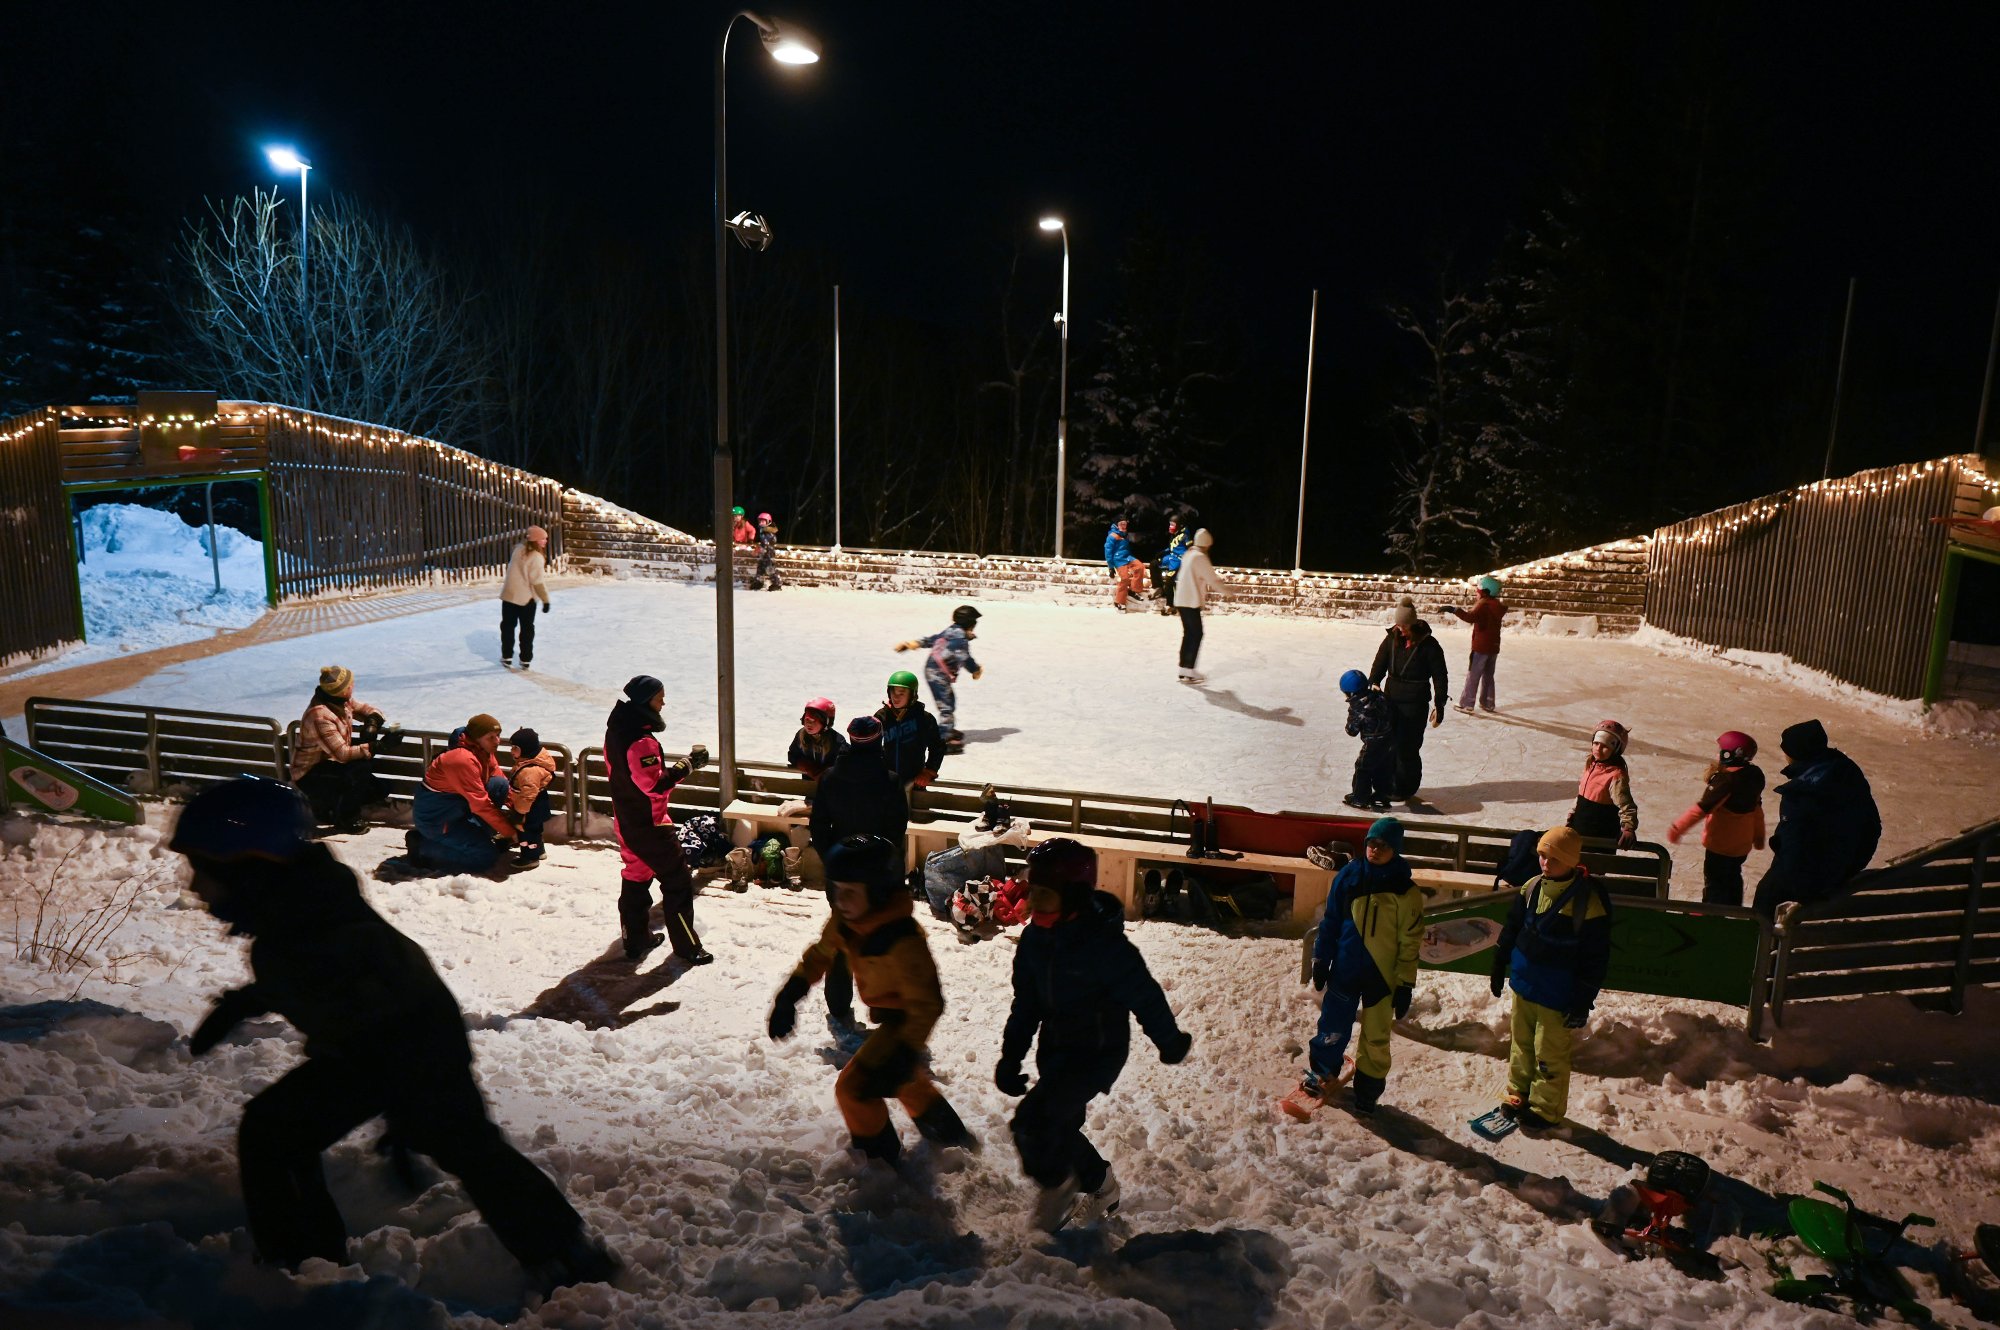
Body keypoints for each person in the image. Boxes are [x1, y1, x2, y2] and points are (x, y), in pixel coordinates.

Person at [172, 778, 616, 1289]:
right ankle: (304, 1266)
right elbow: (314, 976)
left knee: (465, 1145)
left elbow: (381, 1005)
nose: (193, 886)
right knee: (274, 1132)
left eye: (200, 869)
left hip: (416, 1049)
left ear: (246, 863)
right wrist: (245, 1002)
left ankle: (571, 1262)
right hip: (371, 1049)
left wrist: (406, 1111)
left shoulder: (318, 925)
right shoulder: (294, 909)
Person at [997, 838, 1193, 1231]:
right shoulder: (1035, 940)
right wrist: (1011, 1056)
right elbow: (1027, 1004)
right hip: (1056, 1048)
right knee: (1059, 1126)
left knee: (1032, 1124)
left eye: (1044, 894)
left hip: (1096, 1052)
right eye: (1031, 891)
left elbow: (1145, 994)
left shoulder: (1103, 945)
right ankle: (1101, 1186)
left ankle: (1058, 1186)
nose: (1033, 902)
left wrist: (1169, 1040)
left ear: (1072, 897)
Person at [767, 834, 977, 1166]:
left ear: (877, 893)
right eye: (837, 890)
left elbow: (928, 1003)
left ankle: (880, 1160)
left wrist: (906, 1048)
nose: (841, 901)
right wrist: (790, 995)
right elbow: (820, 955)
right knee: (906, 1081)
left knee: (853, 1090)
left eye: (851, 892)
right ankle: (952, 1137)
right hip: (889, 1017)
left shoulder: (902, 939)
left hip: (906, 1021)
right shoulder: (848, 921)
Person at [1487, 826, 1611, 1132]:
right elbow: (1513, 926)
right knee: (1521, 1045)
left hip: (1558, 994)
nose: (1545, 863)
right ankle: (1518, 1093)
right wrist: (1499, 961)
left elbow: (1595, 957)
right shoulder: (1531, 888)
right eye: (1542, 855)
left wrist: (1582, 999)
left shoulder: (1587, 902)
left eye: (1553, 858)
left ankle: (1545, 1108)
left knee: (1549, 1053)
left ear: (1569, 861)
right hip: (1525, 984)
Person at [1298, 817, 1422, 1115]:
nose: (1375, 850)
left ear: (1396, 850)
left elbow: (1410, 942)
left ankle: (1368, 1091)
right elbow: (1330, 923)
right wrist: (1321, 959)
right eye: (1371, 843)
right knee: (1332, 1026)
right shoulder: (1349, 877)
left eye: (1383, 846)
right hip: (1346, 970)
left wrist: (1405, 984)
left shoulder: (1406, 892)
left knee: (1376, 1038)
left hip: (1382, 977)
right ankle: (1323, 1070)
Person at [806, 716, 910, 1049]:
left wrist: (837, 860)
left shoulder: (830, 779)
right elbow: (896, 832)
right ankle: (881, 1004)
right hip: (877, 877)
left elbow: (819, 828)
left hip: (841, 877)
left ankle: (838, 1006)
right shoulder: (890, 781)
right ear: (879, 742)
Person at [605, 675, 712, 963]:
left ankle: (636, 940)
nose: (663, 702)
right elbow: (653, 785)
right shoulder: (640, 742)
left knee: (636, 877)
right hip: (650, 825)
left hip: (626, 820)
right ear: (645, 701)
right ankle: (688, 947)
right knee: (677, 882)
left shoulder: (616, 730)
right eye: (659, 697)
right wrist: (686, 765)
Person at [1751, 719, 1881, 919]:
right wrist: (1848, 868)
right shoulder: (1847, 774)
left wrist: (1804, 890)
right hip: (1837, 869)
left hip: (1807, 880)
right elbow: (1871, 827)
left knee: (1766, 899)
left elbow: (1793, 847)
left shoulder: (1800, 795)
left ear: (1796, 753)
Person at [1667, 731, 1767, 907]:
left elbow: (1701, 809)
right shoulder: (1754, 775)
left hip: (1720, 845)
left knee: (1715, 882)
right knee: (1733, 877)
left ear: (1731, 754)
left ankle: (1710, 913)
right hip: (1741, 846)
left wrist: (1677, 828)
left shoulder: (1726, 781)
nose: (1718, 753)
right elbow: (1757, 809)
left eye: (1721, 750)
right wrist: (1759, 835)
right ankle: (1734, 909)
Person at [408, 715, 516, 873]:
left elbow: (499, 778)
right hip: (438, 820)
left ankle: (477, 838)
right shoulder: (460, 760)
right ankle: (423, 847)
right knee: (486, 857)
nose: (497, 741)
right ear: (477, 738)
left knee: (499, 785)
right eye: (491, 737)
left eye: (498, 735)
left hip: (458, 809)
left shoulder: (483, 750)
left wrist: (520, 812)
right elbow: (481, 804)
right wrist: (511, 832)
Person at [289, 665, 389, 834]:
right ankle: (346, 818)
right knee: (360, 768)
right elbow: (342, 755)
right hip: (310, 774)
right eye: (350, 685)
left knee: (380, 789)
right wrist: (378, 746)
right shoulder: (320, 716)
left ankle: (327, 806)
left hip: (331, 766)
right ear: (343, 691)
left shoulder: (341, 700)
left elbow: (370, 710)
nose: (353, 686)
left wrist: (372, 722)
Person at [1366, 599, 1449, 804]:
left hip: (1415, 704)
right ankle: (1387, 782)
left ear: (1413, 624)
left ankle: (1405, 787)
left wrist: (1440, 705)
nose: (1399, 629)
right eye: (1398, 625)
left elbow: (1440, 676)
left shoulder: (1430, 645)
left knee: (1407, 747)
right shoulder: (1391, 638)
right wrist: (1374, 682)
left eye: (1404, 626)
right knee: (1388, 744)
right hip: (1391, 700)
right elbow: (1379, 663)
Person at [895, 604, 982, 749]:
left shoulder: (952, 630)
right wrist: (975, 670)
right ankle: (943, 739)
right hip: (937, 674)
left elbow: (934, 639)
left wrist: (914, 644)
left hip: (934, 670)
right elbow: (965, 659)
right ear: (970, 624)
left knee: (949, 700)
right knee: (946, 705)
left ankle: (946, 728)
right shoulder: (961, 642)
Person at [876, 670, 946, 809]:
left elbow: (938, 747)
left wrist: (929, 770)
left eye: (902, 693)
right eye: (893, 692)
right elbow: (871, 746)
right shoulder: (881, 717)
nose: (896, 697)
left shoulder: (924, 719)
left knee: (915, 816)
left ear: (912, 695)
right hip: (887, 781)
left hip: (915, 782)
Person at [1566, 719, 1639, 848]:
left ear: (1616, 749)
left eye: (1605, 746)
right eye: (1596, 743)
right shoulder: (1590, 765)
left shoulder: (1616, 775)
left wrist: (1628, 828)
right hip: (1580, 827)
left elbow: (1625, 804)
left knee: (1594, 866)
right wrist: (1572, 815)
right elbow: (1581, 796)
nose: (1598, 748)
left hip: (1600, 834)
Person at [1439, 576, 1507, 714]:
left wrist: (1454, 610)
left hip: (1481, 647)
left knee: (1473, 674)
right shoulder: (1496, 606)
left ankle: (1467, 704)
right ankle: (1488, 702)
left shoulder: (1484, 605)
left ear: (1486, 592)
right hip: (1493, 647)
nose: (1476, 594)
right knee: (1488, 675)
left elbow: (1470, 617)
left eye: (1478, 591)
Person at [1338, 669, 1397, 811]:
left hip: (1373, 743)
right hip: (1389, 739)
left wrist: (1350, 722)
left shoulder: (1358, 707)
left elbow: (1351, 731)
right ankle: (1382, 795)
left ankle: (1360, 798)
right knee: (1383, 767)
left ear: (1350, 693)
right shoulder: (1379, 697)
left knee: (1363, 768)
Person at [1172, 527, 1225, 683]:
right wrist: (1228, 591)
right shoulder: (1199, 557)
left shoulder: (1189, 554)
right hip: (1190, 601)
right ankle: (1188, 670)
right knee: (1196, 633)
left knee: (1189, 633)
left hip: (1182, 600)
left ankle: (1184, 668)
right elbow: (1212, 579)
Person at [500, 525, 552, 670]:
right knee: (527, 630)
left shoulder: (517, 550)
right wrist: (545, 600)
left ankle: (507, 656)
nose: (545, 541)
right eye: (543, 539)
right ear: (535, 540)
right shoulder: (536, 557)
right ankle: (525, 659)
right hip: (526, 600)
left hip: (509, 596)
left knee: (508, 627)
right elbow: (537, 582)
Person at [505, 727, 558, 867]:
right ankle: (538, 851)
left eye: (515, 748)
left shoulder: (529, 771)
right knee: (535, 831)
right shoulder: (530, 763)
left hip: (529, 808)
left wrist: (519, 813)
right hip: (538, 804)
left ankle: (529, 857)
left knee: (525, 833)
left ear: (525, 749)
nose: (511, 751)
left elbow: (527, 796)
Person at [788, 697, 848, 783]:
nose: (808, 724)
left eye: (813, 721)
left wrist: (824, 772)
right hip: (809, 788)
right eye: (806, 720)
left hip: (830, 788)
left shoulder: (837, 741)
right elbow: (792, 755)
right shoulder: (801, 735)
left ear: (826, 723)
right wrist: (808, 768)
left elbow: (845, 764)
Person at [1104, 518, 1149, 610]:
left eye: (1125, 524)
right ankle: (1119, 601)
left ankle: (1134, 590)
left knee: (1140, 567)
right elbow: (1108, 551)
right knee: (1124, 578)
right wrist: (1111, 567)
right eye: (1121, 524)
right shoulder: (1112, 536)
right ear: (1117, 525)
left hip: (1127, 557)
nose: (1124, 526)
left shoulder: (1124, 534)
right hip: (1118, 559)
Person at [1152, 517, 1193, 617]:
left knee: (1169, 579)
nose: (1170, 527)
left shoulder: (1185, 535)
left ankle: (1170, 605)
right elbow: (1172, 547)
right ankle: (1159, 588)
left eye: (1173, 525)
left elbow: (1190, 549)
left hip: (1179, 560)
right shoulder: (1174, 534)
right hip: (1171, 557)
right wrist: (1162, 552)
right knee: (1154, 564)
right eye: (1170, 524)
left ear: (1179, 525)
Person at [749, 511, 782, 591]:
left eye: (763, 521)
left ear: (768, 522)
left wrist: (758, 550)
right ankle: (758, 582)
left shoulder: (768, 532)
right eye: (760, 521)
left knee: (770, 569)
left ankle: (777, 584)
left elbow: (766, 544)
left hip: (769, 554)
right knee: (760, 568)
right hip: (763, 554)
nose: (761, 523)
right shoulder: (762, 531)